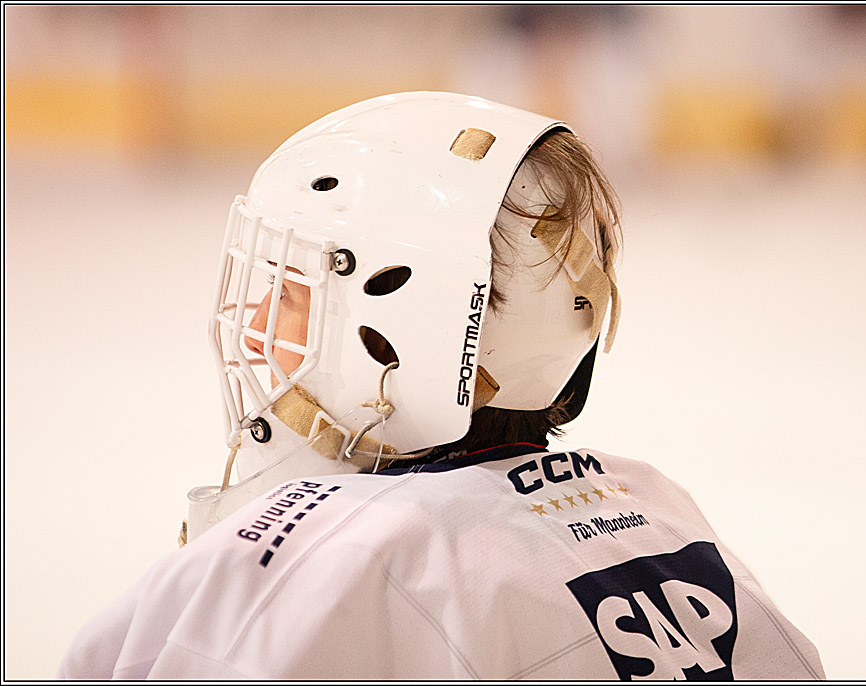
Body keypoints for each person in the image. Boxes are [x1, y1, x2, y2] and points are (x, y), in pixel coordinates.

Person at [58, 92, 825, 680]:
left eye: (291, 289)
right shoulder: (664, 517)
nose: (258, 316)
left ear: (406, 325)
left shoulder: (302, 566)